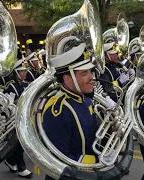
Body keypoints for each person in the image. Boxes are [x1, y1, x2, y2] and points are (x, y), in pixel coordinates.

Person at [42, 41, 115, 180]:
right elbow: (57, 158)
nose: (91, 77)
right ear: (67, 78)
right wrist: (96, 160)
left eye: (89, 72)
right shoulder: (58, 110)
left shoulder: (85, 99)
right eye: (84, 73)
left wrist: (110, 131)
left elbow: (92, 136)